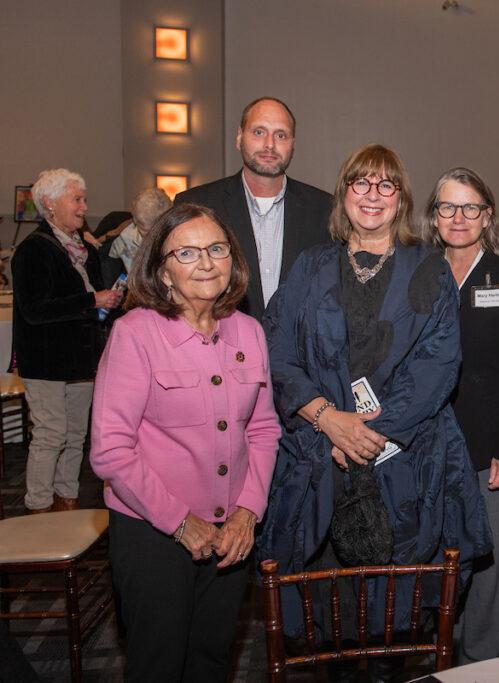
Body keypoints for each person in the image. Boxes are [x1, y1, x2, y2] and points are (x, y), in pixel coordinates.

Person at [257, 144, 492, 643]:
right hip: (320, 457)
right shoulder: (310, 267)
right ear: (343, 193)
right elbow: (277, 351)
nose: (372, 194)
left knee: (396, 621)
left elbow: (437, 366)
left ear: (400, 198)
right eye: (360, 182)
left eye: (386, 184)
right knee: (328, 616)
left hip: (405, 462)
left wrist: (367, 435)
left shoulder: (429, 268)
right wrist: (328, 419)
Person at [89, 203, 280, 680]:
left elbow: (262, 429)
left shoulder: (249, 331)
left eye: (217, 249)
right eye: (188, 253)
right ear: (162, 270)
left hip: (231, 532)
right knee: (158, 665)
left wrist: (248, 511)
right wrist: (179, 522)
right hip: (154, 535)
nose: (207, 263)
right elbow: (110, 451)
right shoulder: (135, 334)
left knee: (211, 661)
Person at [422, 167, 499, 662]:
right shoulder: (417, 277)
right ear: (434, 216)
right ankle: (443, 657)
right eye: (448, 207)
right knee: (437, 560)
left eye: (470, 207)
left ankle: (487, 666)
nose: (459, 217)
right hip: (428, 450)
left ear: (487, 215)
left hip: (493, 453)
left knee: (491, 568)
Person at [12, 169, 123, 513]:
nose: (84, 207)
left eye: (84, 199)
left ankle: (67, 501)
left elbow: (90, 302)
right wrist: (92, 301)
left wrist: (107, 302)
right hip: (45, 361)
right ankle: (39, 508)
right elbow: (34, 311)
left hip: (81, 358)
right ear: (49, 203)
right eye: (76, 199)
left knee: (76, 436)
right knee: (51, 434)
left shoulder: (84, 250)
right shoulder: (33, 249)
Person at [175, 96, 332, 318]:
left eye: (281, 135)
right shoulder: (196, 205)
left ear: (293, 144)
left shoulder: (325, 209)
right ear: (239, 137)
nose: (270, 144)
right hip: (220, 337)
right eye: (259, 132)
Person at [104, 187, 171, 285]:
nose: (152, 236)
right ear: (135, 220)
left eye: (158, 229)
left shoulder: (176, 234)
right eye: (145, 230)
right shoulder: (126, 239)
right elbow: (110, 274)